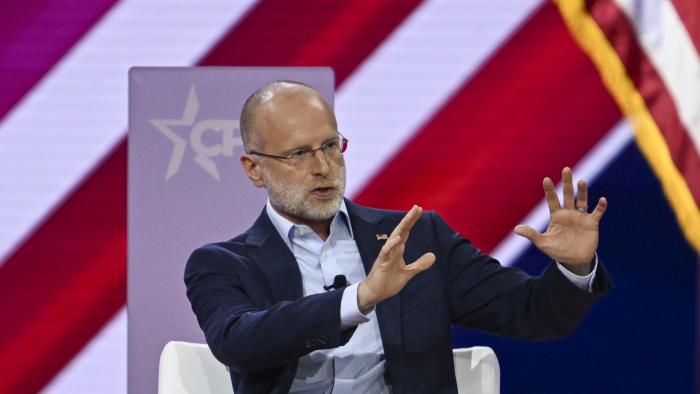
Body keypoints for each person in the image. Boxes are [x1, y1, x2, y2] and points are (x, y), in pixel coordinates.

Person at [184, 81, 612, 393]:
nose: (323, 167)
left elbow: (532, 313)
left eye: (331, 146)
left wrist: (573, 268)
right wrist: (360, 299)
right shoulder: (221, 264)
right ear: (254, 168)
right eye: (298, 153)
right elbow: (239, 342)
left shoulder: (417, 237)